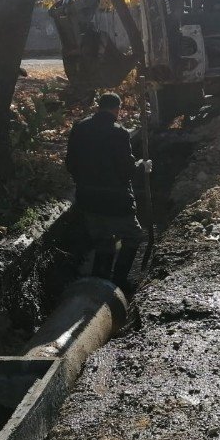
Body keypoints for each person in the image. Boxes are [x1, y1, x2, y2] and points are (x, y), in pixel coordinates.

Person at [65, 92, 150, 291]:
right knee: (134, 236)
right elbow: (126, 169)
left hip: (87, 197)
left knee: (103, 239)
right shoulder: (118, 133)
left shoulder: (79, 128)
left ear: (98, 106)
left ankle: (99, 277)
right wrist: (141, 165)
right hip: (115, 200)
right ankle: (118, 280)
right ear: (116, 109)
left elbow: (71, 163)